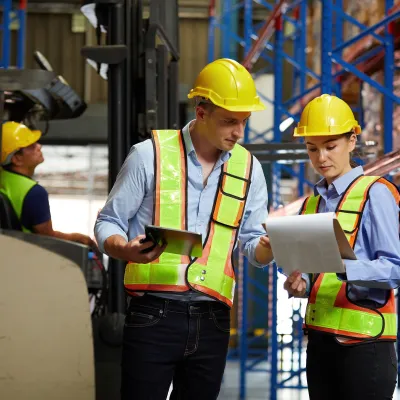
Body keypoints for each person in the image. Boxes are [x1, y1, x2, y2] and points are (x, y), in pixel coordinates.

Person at [94, 58, 274, 400]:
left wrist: (273, 245)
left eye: (244, 123)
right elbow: (108, 222)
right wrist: (124, 249)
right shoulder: (148, 157)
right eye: (229, 122)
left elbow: (253, 246)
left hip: (215, 319)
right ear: (201, 112)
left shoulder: (250, 168)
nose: (238, 132)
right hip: (152, 315)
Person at [283, 94, 400, 400]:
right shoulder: (310, 205)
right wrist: (302, 284)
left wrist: (342, 266)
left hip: (366, 347)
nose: (321, 157)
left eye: (330, 146)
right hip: (320, 345)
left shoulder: (375, 194)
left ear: (352, 140)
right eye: (312, 148)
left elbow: (395, 268)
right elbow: (316, 277)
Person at [0, 121, 95, 247]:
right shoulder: (34, 192)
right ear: (16, 158)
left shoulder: (4, 177)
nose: (39, 146)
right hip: (26, 256)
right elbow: (47, 237)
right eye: (31, 146)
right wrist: (78, 238)